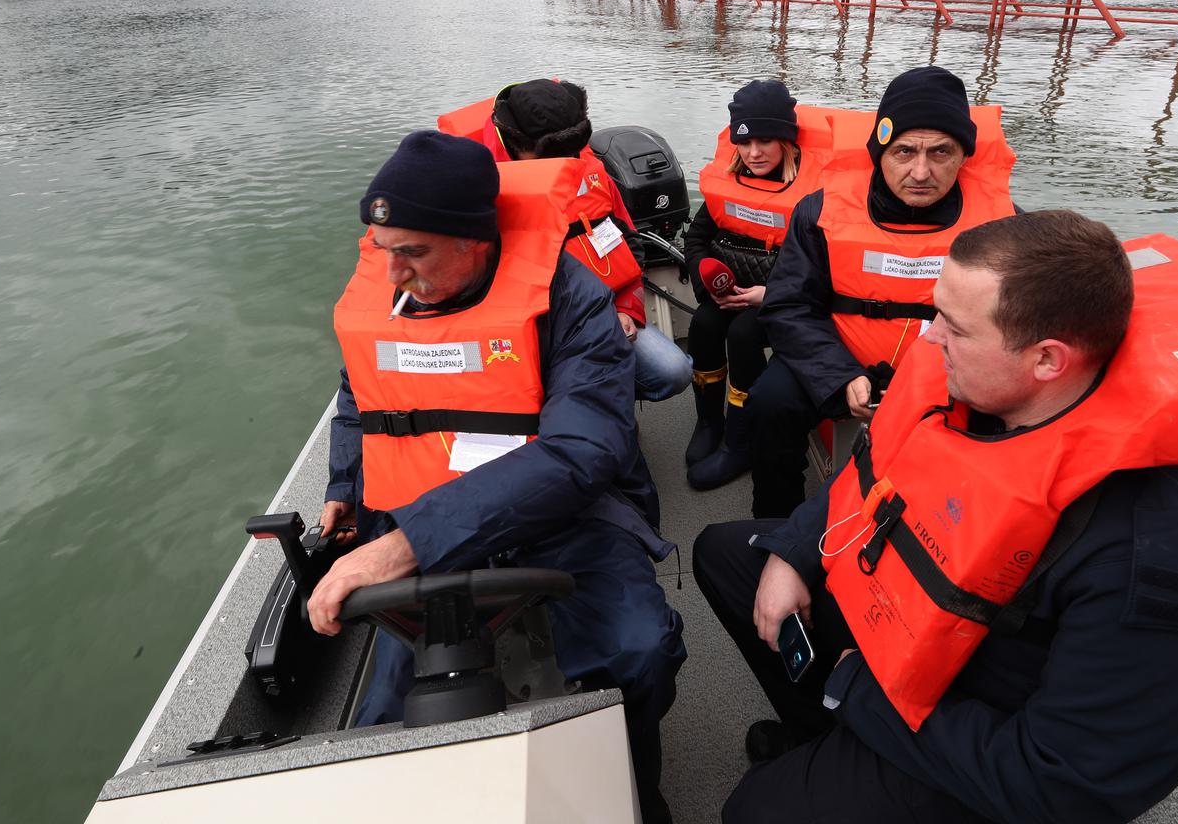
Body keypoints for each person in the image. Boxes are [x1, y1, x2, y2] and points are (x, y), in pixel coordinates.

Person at [695, 210, 1178, 823]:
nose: (930, 339)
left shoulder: (1150, 551)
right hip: (910, 622)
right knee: (728, 559)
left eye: (953, 327)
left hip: (991, 719)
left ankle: (844, 738)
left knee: (754, 810)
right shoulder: (979, 392)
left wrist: (858, 692)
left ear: (1047, 360)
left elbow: (1066, 779)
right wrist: (795, 551)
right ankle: (825, 736)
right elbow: (872, 471)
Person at [308, 130, 685, 823]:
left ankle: (634, 777)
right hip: (421, 505)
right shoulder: (386, 293)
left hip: (561, 513)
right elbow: (359, 393)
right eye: (384, 250)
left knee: (642, 650)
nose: (393, 273)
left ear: (475, 240)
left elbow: (583, 452)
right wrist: (343, 486)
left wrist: (406, 544)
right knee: (382, 717)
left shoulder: (570, 300)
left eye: (413, 253)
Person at [746, 65, 1015, 518]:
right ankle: (775, 520)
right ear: (880, 151)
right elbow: (788, 305)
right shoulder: (819, 213)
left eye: (941, 152)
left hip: (950, 375)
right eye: (904, 151)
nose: (921, 171)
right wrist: (840, 376)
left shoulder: (1005, 228)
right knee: (770, 404)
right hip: (839, 359)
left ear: (963, 156)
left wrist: (943, 381)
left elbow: (1015, 329)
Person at [439, 79, 692, 402]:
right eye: (554, 159)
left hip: (603, 309)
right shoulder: (468, 184)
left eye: (572, 156)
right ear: (515, 143)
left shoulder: (587, 165)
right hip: (524, 327)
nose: (567, 169)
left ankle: (604, 398)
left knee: (673, 372)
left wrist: (627, 309)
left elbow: (628, 242)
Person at [683, 79, 832, 490]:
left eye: (765, 140)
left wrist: (771, 294)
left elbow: (823, 264)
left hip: (782, 298)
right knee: (704, 325)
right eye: (744, 142)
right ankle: (709, 421)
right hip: (729, 291)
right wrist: (708, 283)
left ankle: (741, 439)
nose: (753, 153)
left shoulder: (813, 192)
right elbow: (695, 241)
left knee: (745, 334)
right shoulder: (728, 181)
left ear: (787, 141)